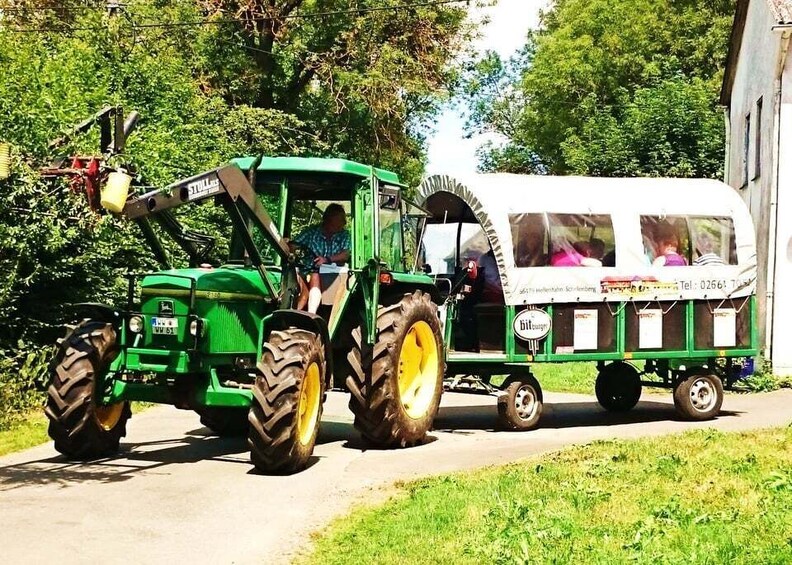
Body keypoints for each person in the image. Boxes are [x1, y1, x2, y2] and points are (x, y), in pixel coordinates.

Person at [290, 203, 350, 313]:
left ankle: (311, 314)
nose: (339, 227)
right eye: (336, 224)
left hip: (334, 275)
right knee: (302, 275)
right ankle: (294, 311)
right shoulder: (311, 232)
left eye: (341, 224)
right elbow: (292, 246)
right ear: (326, 221)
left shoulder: (344, 235)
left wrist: (327, 259)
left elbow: (345, 254)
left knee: (315, 274)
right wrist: (289, 249)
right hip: (308, 270)